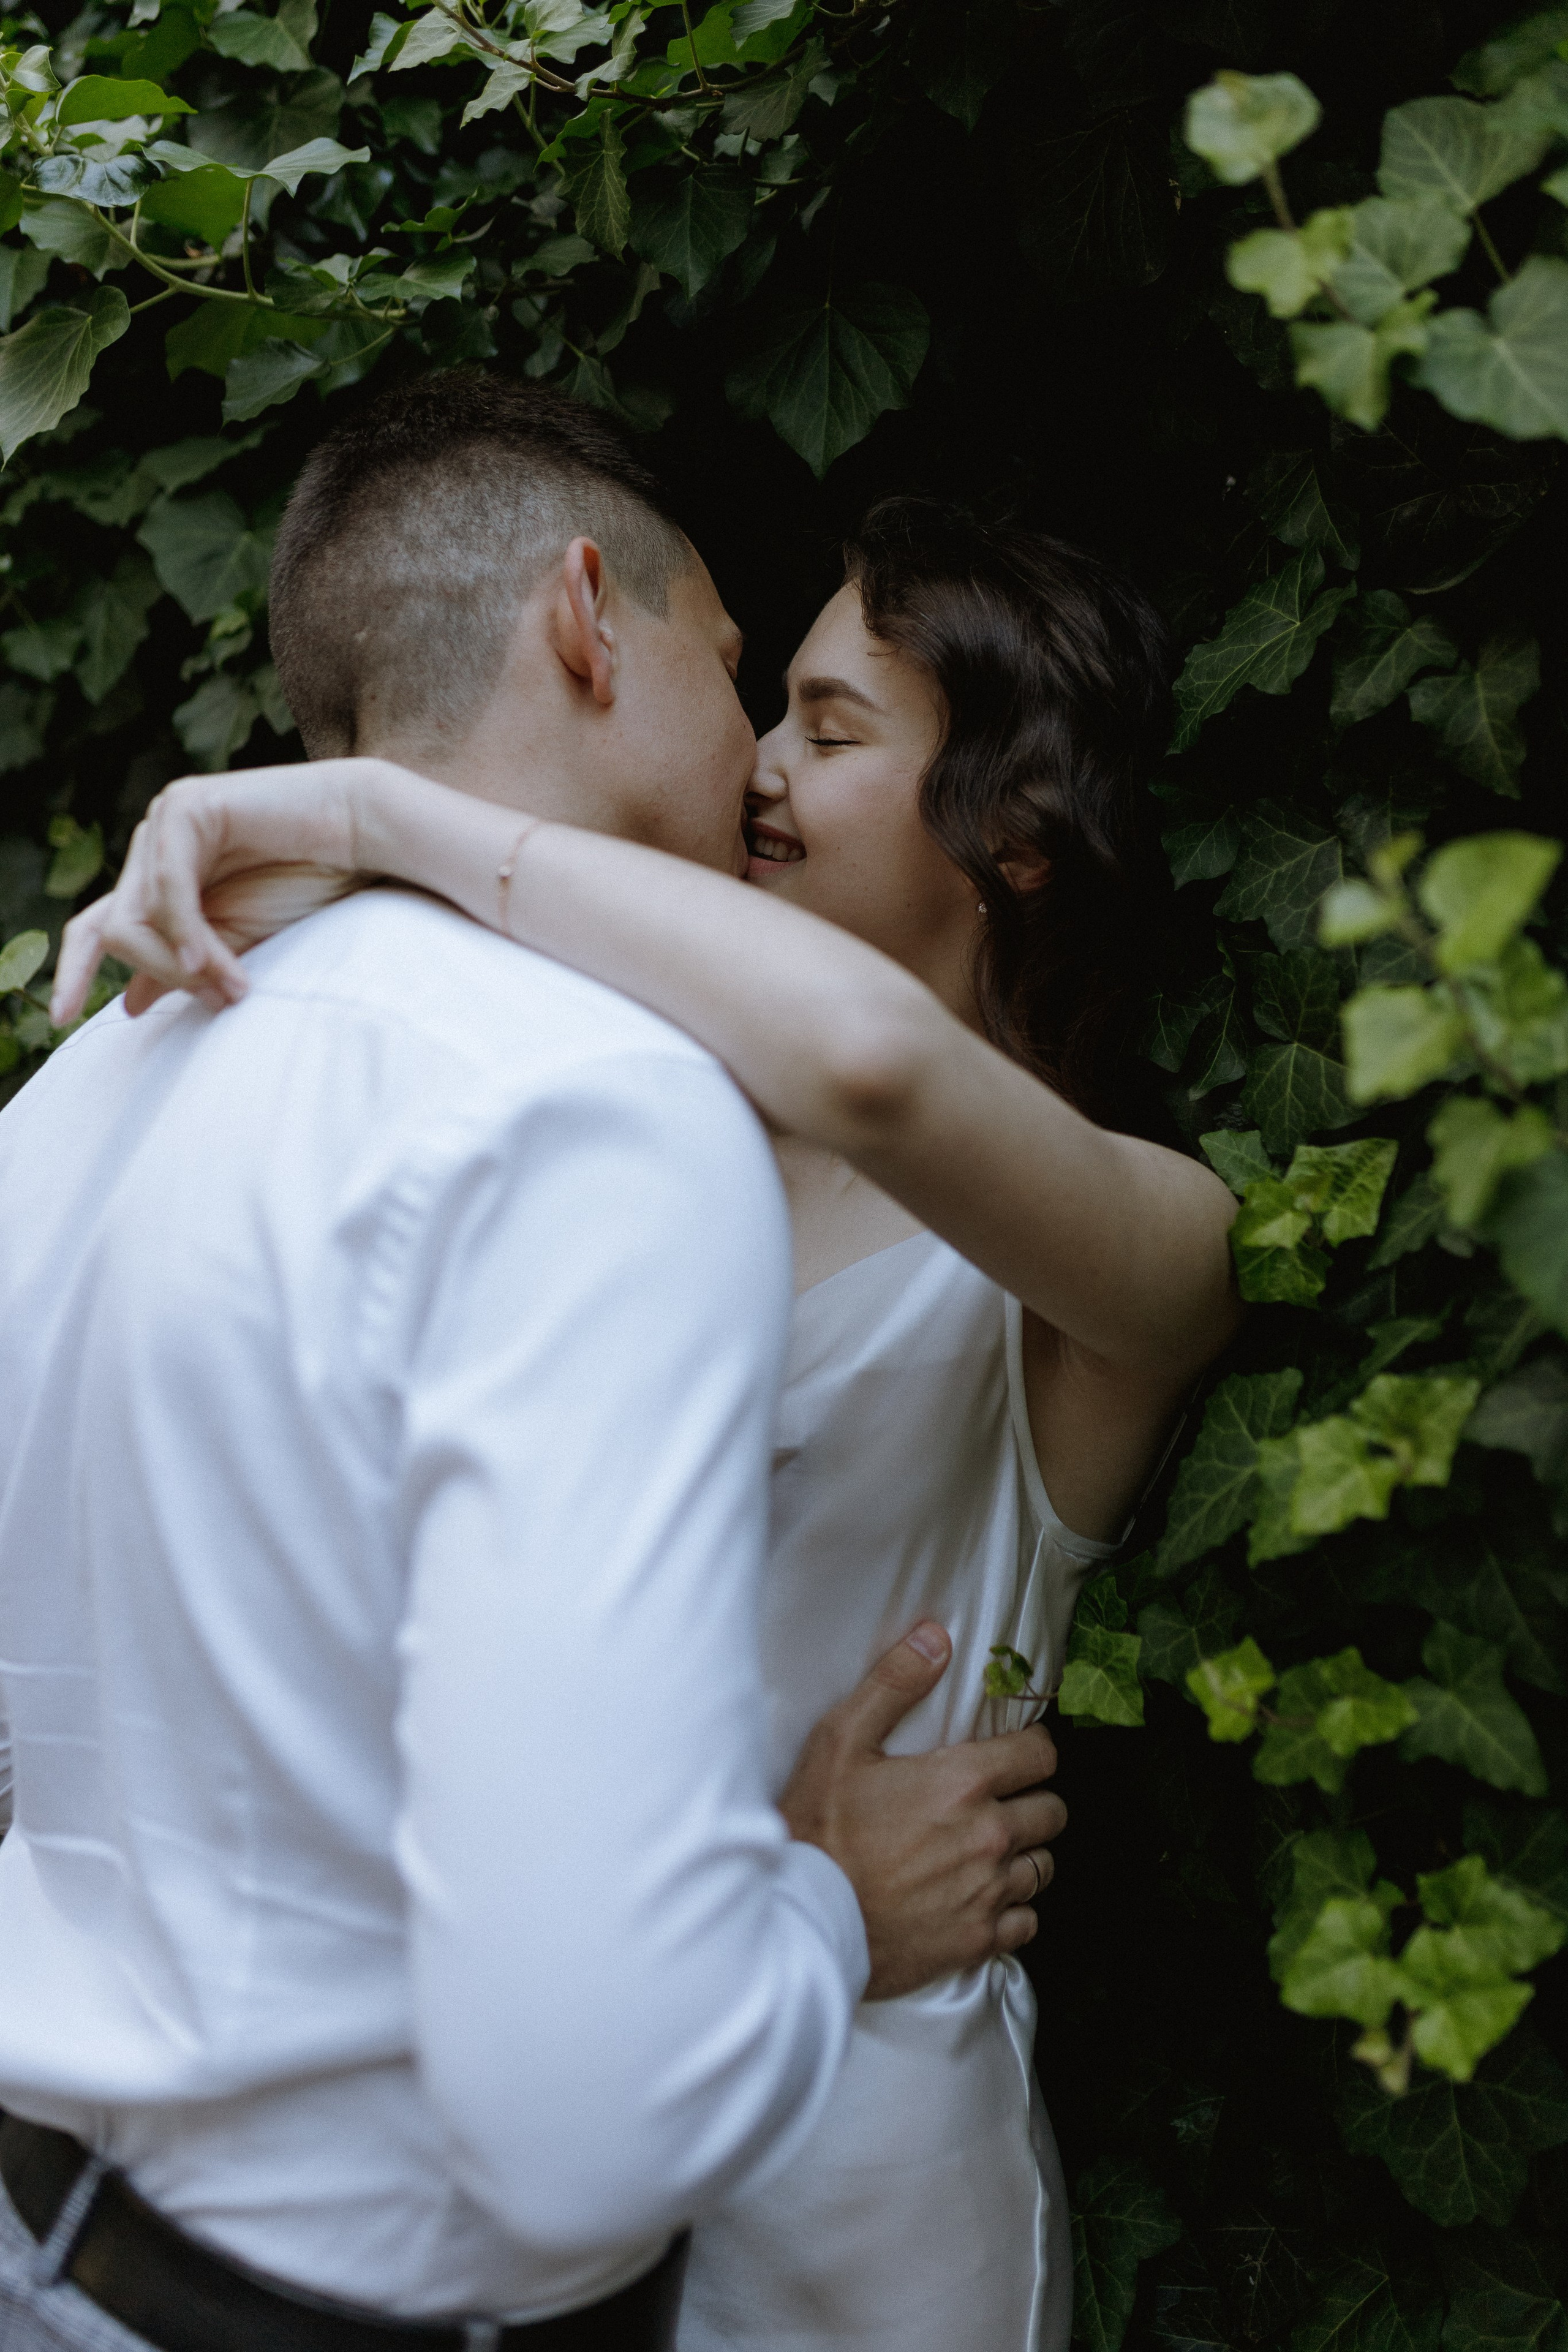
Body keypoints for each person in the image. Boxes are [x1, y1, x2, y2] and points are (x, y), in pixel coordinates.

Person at [58, 467, 1243, 2350]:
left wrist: (372, 811)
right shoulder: (613, 1122)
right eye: (771, 711)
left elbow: (880, 1074)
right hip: (530, 2108)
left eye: (829, 732)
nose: (756, 766)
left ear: (1017, 835)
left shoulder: (1129, 1240)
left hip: (858, 2165)